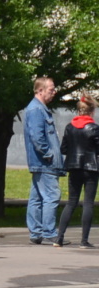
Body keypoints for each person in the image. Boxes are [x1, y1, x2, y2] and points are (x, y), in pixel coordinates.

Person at [54, 92, 99, 249]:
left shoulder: (69, 128)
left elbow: (64, 148)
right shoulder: (94, 128)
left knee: (71, 202)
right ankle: (84, 241)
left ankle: (59, 238)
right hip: (91, 168)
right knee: (88, 203)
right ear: (92, 111)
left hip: (73, 167)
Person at [24, 76, 64, 245]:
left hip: (41, 162)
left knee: (37, 197)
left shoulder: (39, 109)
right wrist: (49, 154)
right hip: (44, 162)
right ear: (40, 90)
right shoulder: (36, 110)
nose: (54, 92)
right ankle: (49, 232)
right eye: (51, 90)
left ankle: (36, 233)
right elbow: (37, 137)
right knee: (52, 196)